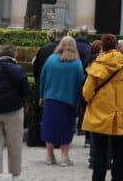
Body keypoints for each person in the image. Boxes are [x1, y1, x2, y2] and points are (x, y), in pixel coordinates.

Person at [82, 33, 123, 181]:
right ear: (116, 46)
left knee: (100, 151)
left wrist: (93, 101)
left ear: (102, 47)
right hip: (121, 115)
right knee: (119, 150)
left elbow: (86, 92)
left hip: (99, 114)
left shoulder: (97, 66)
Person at [0, 44, 32, 179]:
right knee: (14, 143)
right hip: (13, 111)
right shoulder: (18, 69)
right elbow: (26, 92)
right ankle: (15, 174)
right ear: (14, 55)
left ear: (0, 54)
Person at [39, 35, 85, 167]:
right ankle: (64, 158)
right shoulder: (76, 62)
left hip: (50, 98)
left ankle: (49, 156)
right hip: (69, 100)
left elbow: (43, 78)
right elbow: (80, 83)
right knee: (66, 127)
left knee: (49, 126)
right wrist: (79, 101)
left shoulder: (51, 59)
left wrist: (42, 96)